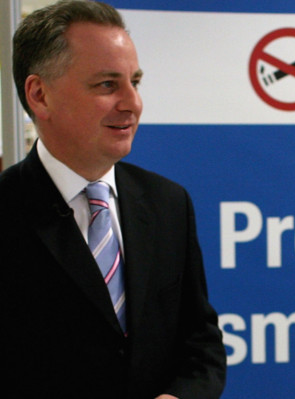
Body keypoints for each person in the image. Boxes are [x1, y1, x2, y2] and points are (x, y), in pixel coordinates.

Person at [0, 1, 226, 398]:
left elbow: (201, 346)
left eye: (134, 82)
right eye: (107, 85)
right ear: (39, 95)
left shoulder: (168, 203)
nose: (133, 103)